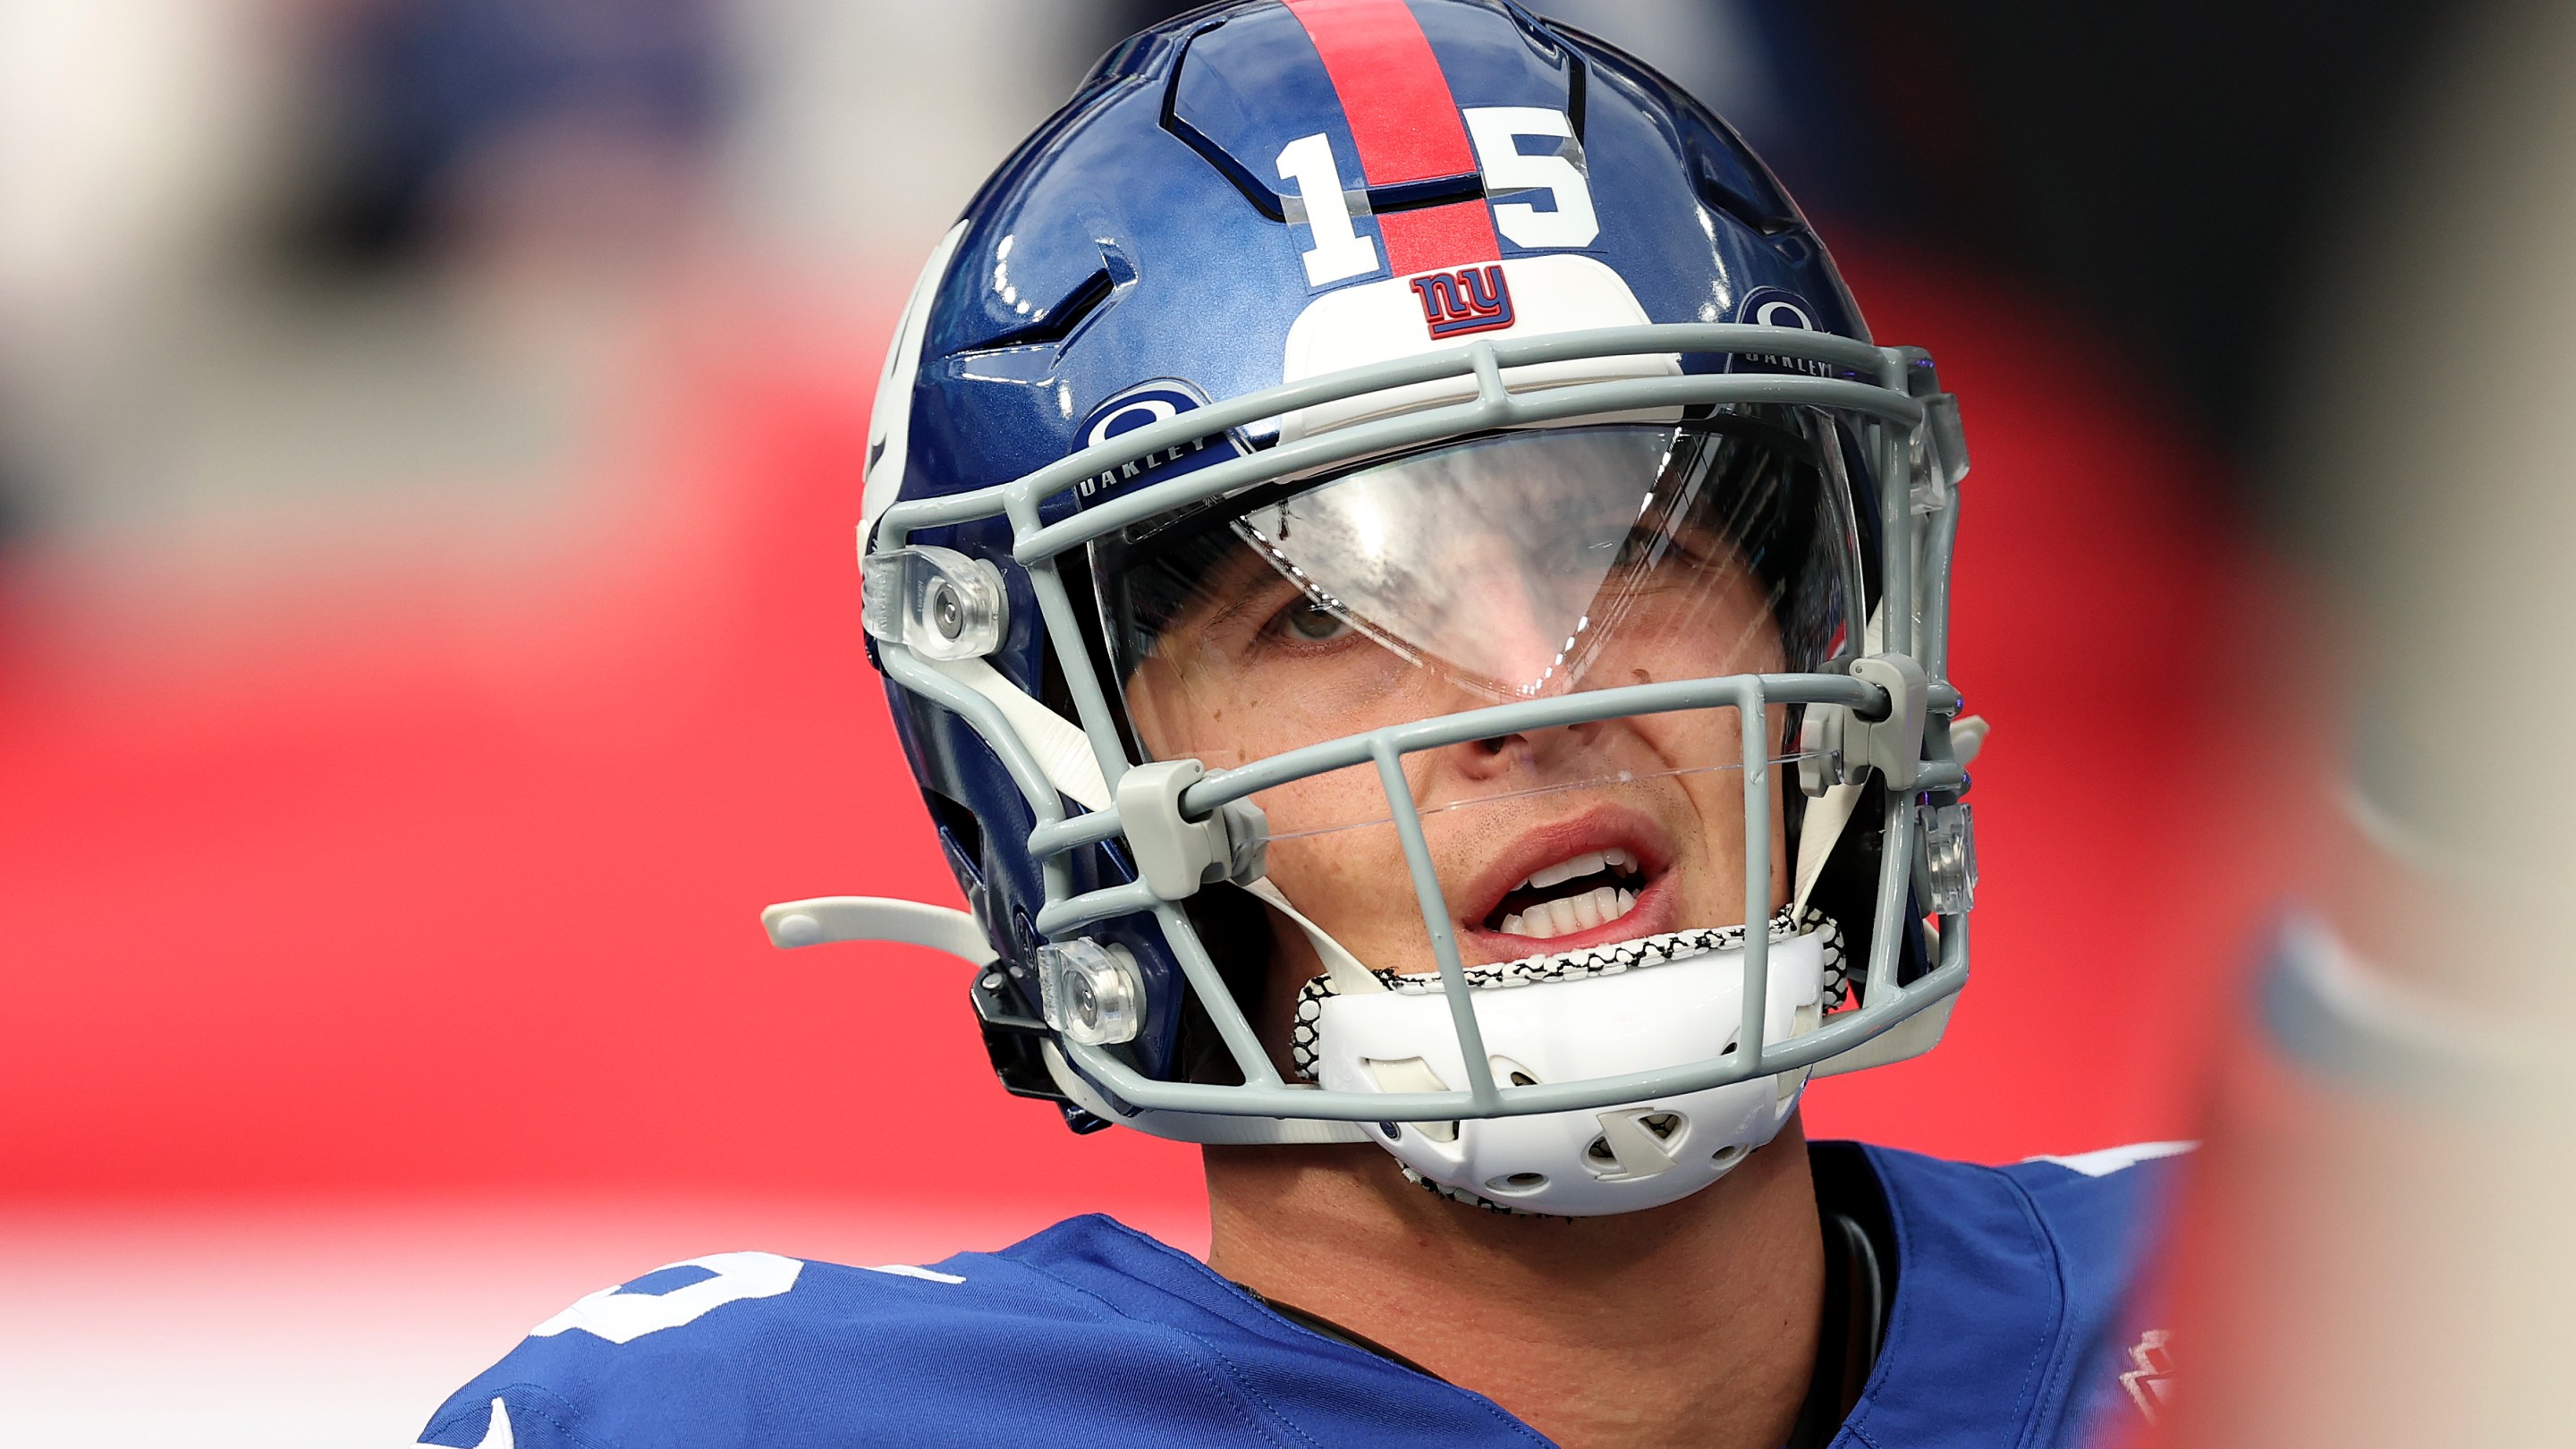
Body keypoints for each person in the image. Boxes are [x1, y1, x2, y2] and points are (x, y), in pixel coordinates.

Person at [422, 3, 2182, 1445]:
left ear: (1826, 632)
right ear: (1082, 793)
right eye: (1328, 613)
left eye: (1629, 543)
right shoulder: (767, 1424)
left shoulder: (2301, 1309)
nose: (1531, 678)